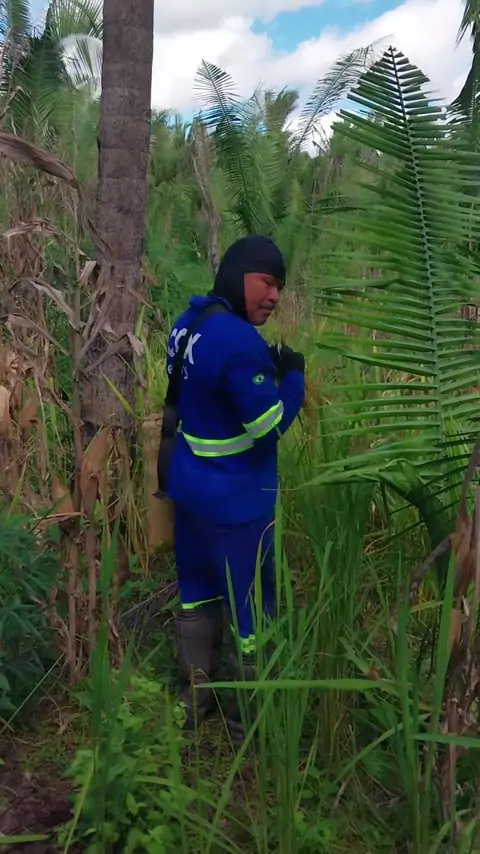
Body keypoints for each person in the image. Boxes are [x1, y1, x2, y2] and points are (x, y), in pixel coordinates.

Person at [165, 235, 305, 739]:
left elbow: (202, 395)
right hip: (238, 504)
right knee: (252, 610)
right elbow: (268, 426)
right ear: (238, 274)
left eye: (280, 287)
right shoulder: (240, 340)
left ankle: (194, 700)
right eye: (266, 282)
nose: (274, 296)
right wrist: (293, 377)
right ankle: (248, 720)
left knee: (197, 594)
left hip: (189, 493)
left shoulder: (187, 323)